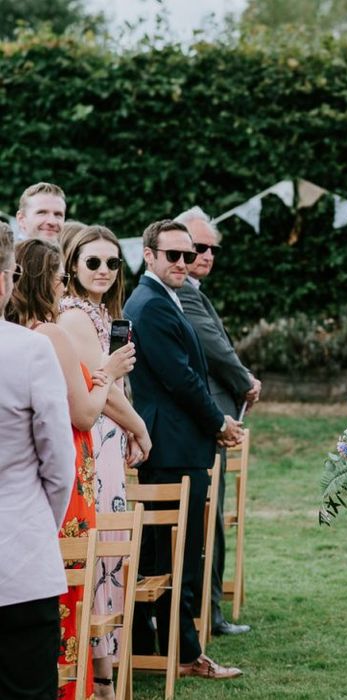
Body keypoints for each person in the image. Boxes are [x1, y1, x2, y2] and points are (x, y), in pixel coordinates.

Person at [5, 236, 135, 700]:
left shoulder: (19, 331)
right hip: (66, 482)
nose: (65, 285)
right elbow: (80, 417)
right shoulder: (50, 335)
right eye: (61, 276)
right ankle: (74, 688)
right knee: (70, 595)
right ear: (47, 279)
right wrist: (111, 374)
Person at [124, 219, 244, 680]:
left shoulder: (162, 298)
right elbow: (180, 378)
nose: (182, 262)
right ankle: (185, 654)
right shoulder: (150, 304)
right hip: (172, 446)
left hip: (177, 443)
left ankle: (159, 648)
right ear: (149, 255)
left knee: (167, 555)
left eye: (187, 254)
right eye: (172, 254)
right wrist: (218, 422)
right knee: (178, 557)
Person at [58, 225, 151, 698]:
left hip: (111, 438)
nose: (102, 271)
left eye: (112, 263)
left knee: (112, 549)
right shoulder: (73, 316)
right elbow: (105, 390)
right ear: (72, 264)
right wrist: (140, 427)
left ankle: (107, 670)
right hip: (95, 437)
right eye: (92, 262)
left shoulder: (100, 312)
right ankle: (100, 679)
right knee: (103, 552)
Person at [176, 208, 261, 636]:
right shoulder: (184, 295)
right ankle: (208, 614)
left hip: (212, 415)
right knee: (208, 515)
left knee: (211, 514)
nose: (207, 255)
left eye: (212, 248)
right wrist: (244, 379)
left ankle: (209, 610)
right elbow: (214, 348)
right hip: (207, 418)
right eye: (198, 248)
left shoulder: (192, 290)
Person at [0, 224, 74, 700]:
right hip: (18, 561)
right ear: (3, 279)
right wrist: (34, 525)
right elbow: (59, 464)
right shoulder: (29, 350)